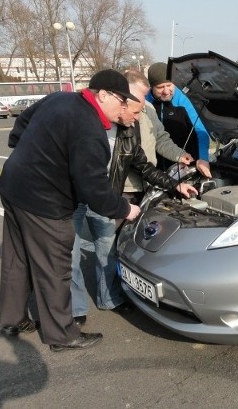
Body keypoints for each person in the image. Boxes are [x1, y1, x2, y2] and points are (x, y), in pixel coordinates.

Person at [0, 69, 142, 352]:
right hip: (46, 204)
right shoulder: (90, 129)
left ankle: (12, 319)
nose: (124, 107)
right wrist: (124, 209)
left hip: (13, 187)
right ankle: (61, 334)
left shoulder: (59, 99)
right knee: (55, 269)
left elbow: (22, 124)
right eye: (121, 100)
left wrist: (26, 150)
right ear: (103, 94)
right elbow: (94, 190)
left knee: (17, 259)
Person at [71, 70, 197, 325]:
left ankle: (110, 299)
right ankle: (72, 312)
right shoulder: (86, 122)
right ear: (121, 101)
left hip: (109, 194)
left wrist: (175, 185)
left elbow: (145, 165)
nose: (138, 117)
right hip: (73, 197)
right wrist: (121, 207)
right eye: (135, 110)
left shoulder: (128, 130)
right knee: (69, 255)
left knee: (108, 248)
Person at [122, 70, 201, 203]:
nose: (143, 99)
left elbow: (160, 138)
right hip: (125, 188)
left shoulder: (148, 108)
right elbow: (137, 162)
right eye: (141, 95)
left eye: (145, 95)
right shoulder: (117, 115)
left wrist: (179, 154)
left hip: (148, 183)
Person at [145, 62, 212, 177]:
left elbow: (201, 132)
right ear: (152, 87)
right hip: (156, 170)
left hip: (186, 166)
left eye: (169, 85)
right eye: (160, 87)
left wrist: (203, 158)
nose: (166, 91)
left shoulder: (183, 100)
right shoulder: (145, 102)